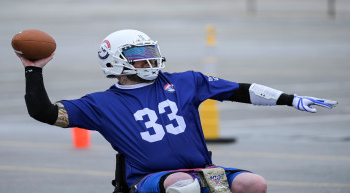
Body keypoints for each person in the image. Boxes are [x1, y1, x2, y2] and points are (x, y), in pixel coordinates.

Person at [17, 29, 337, 193]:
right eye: (140, 56)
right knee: (183, 185)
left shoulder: (186, 81)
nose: (150, 60)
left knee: (254, 184)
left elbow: (240, 90)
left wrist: (290, 98)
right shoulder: (100, 104)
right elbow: (45, 112)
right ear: (115, 60)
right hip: (148, 180)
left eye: (151, 53)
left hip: (203, 171)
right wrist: (34, 69)